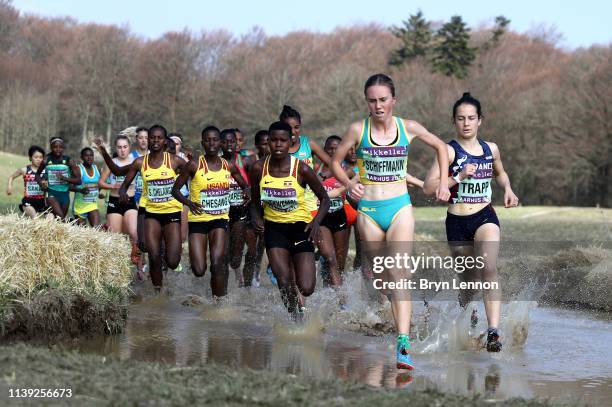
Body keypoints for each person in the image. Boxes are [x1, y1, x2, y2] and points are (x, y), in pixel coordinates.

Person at [330, 74, 450, 370]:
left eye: (383, 99)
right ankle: (391, 311)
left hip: (399, 207)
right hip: (369, 211)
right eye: (372, 100)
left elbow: (442, 147)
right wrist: (347, 183)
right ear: (366, 101)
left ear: (393, 100)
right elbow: (335, 161)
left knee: (399, 275)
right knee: (381, 276)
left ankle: (403, 343)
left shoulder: (407, 127)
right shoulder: (358, 129)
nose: (378, 105)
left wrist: (444, 181)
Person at [423, 92, 519, 352]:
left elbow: (500, 173)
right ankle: (468, 315)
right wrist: (458, 177)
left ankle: (493, 332)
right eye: (461, 118)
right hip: (457, 222)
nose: (466, 123)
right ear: (454, 121)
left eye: (471, 118)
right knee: (467, 283)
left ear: (480, 121)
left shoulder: (491, 149)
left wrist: (507, 189)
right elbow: (428, 187)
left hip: (485, 216)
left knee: (488, 268)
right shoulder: (449, 151)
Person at [250, 121, 330, 320]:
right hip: (274, 230)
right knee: (284, 281)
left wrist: (317, 222)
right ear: (268, 142)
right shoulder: (259, 168)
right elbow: (254, 199)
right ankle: (296, 320)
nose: (278, 144)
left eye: (283, 140)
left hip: (301, 229)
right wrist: (256, 217)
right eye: (274, 140)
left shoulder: (301, 169)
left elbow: (325, 199)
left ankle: (309, 268)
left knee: (307, 287)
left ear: (290, 141)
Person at [97, 125, 187, 288]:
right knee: (153, 255)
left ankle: (165, 260)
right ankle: (158, 293)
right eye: (152, 137)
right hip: (150, 212)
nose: (154, 140)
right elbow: (119, 175)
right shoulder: (140, 162)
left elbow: (194, 173)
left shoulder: (175, 160)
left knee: (173, 261)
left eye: (159, 138)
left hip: (171, 212)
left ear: (164, 141)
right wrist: (123, 190)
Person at [172, 126, 249, 298]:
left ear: (220, 143)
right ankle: (211, 291)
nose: (212, 143)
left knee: (217, 263)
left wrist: (247, 191)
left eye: (215, 140)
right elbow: (175, 190)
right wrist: (189, 203)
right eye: (208, 140)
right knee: (199, 270)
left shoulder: (228, 165)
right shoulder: (194, 165)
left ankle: (218, 302)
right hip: (198, 222)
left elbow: (244, 184)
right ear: (203, 143)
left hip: (219, 220)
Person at [279, 105, 331, 215]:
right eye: (288, 127)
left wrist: (321, 177)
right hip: (285, 207)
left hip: (309, 205)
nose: (293, 131)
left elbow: (333, 164)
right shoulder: (276, 148)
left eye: (297, 127)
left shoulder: (308, 144)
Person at [220, 129, 255, 286]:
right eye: (226, 142)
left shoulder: (246, 161)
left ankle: (242, 277)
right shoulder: (215, 162)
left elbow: (255, 184)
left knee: (236, 256)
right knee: (222, 252)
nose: (229, 145)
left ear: (237, 144)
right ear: (220, 144)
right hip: (220, 212)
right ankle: (223, 286)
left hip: (241, 212)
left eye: (232, 142)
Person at [99, 135, 139, 264]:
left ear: (129, 147)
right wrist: (112, 186)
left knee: (134, 233)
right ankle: (117, 265)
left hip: (130, 201)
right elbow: (101, 183)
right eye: (119, 147)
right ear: (116, 148)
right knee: (116, 237)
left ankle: (138, 264)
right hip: (114, 202)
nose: (122, 150)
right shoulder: (111, 162)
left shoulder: (136, 161)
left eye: (125, 147)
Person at [36, 137, 81, 219]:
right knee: (61, 217)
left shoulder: (68, 160)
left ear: (63, 148)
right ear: (51, 148)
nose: (58, 149)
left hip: (65, 194)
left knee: (59, 219)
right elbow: (37, 175)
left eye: (60, 147)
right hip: (51, 193)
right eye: (55, 147)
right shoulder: (46, 160)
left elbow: (78, 180)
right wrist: (41, 183)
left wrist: (64, 178)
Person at [7, 145, 48, 218]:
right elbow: (11, 177)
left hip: (42, 201)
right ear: (30, 158)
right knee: (35, 219)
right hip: (28, 201)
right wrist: (9, 186)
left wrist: (46, 185)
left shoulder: (46, 170)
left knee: (50, 219)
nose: (38, 159)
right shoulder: (25, 170)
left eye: (41, 157)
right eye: (36, 157)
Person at [72, 147, 101, 226]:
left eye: (91, 155)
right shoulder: (78, 169)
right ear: (82, 157)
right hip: (80, 206)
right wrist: (80, 190)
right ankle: (72, 222)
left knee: (96, 229)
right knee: (82, 233)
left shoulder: (96, 168)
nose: (89, 158)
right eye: (86, 156)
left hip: (92, 204)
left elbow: (99, 184)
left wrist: (99, 193)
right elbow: (69, 187)